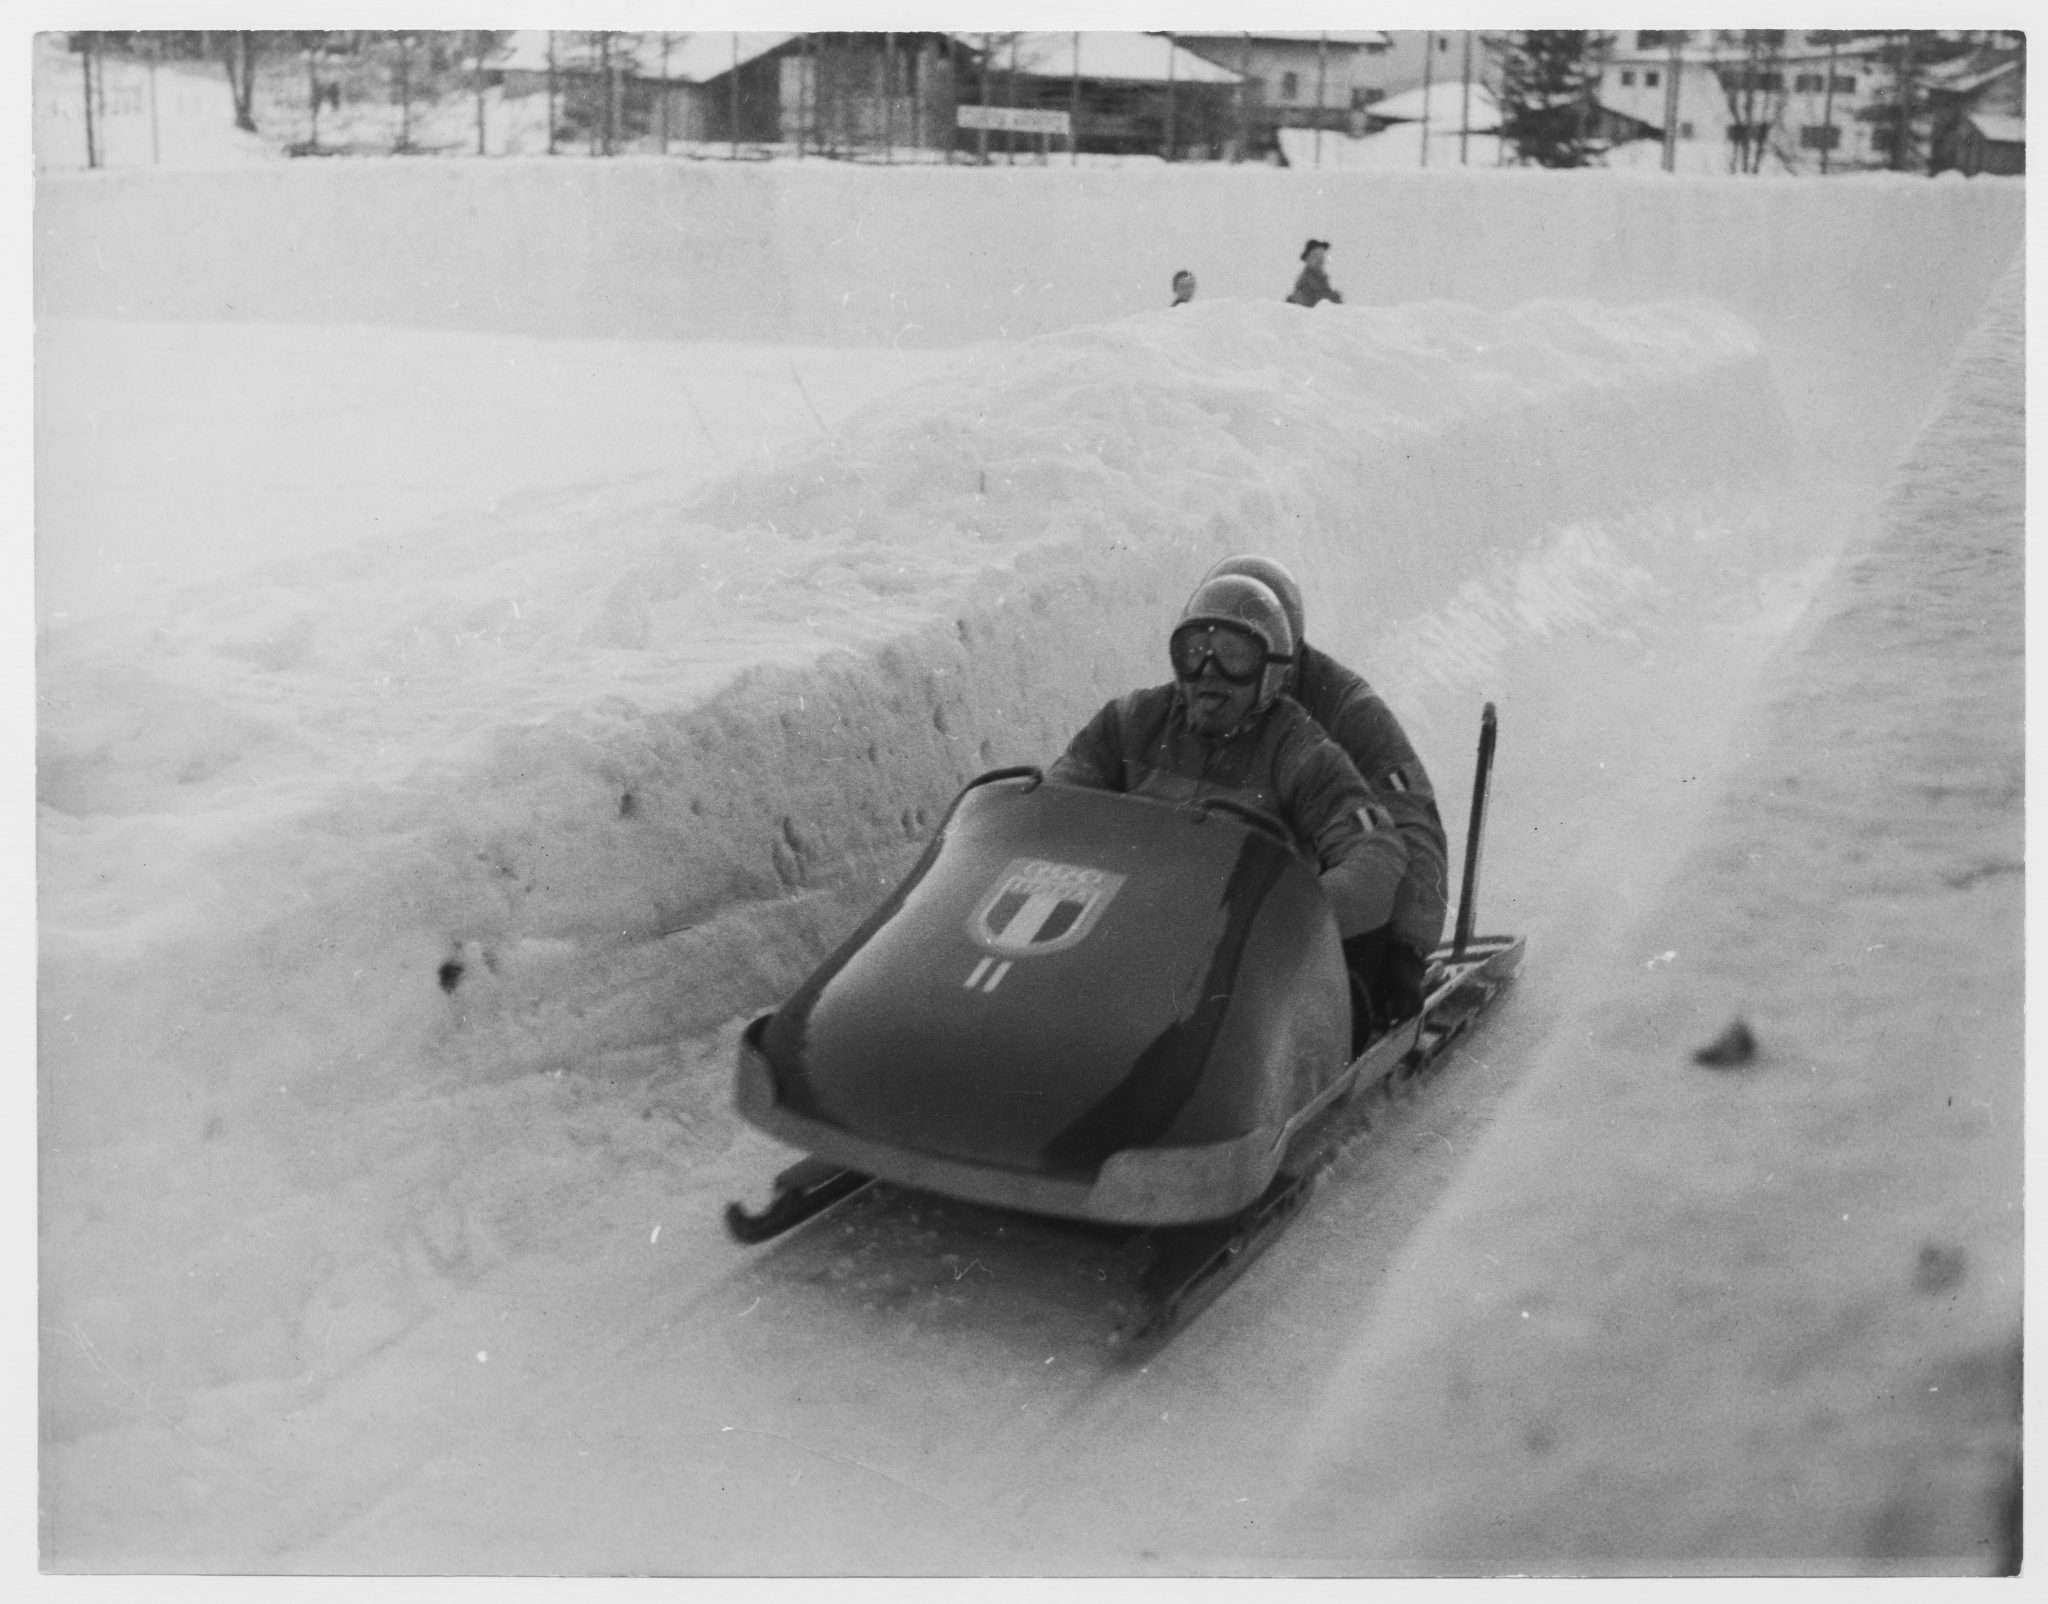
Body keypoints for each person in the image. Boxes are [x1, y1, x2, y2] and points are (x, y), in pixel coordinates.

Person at [1050, 575, 1408, 1031]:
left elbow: (1375, 849)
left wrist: (1294, 919)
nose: (1209, 673)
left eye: (1234, 657)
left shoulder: (1298, 750)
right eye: (1194, 652)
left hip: (1235, 967)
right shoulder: (1129, 722)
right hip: (1126, 937)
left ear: (1270, 671)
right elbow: (1054, 808)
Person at [1196, 555, 1449, 1023]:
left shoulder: (1351, 712)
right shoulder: (1199, 703)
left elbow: (1410, 817)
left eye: (1242, 649)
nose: (1222, 667)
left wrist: (1407, 950)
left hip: (1316, 910)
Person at [1287, 239, 1343, 308]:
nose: (1319, 260)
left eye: (1321, 256)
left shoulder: (1322, 281)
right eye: (1315, 256)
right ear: (1307, 258)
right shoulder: (1306, 280)